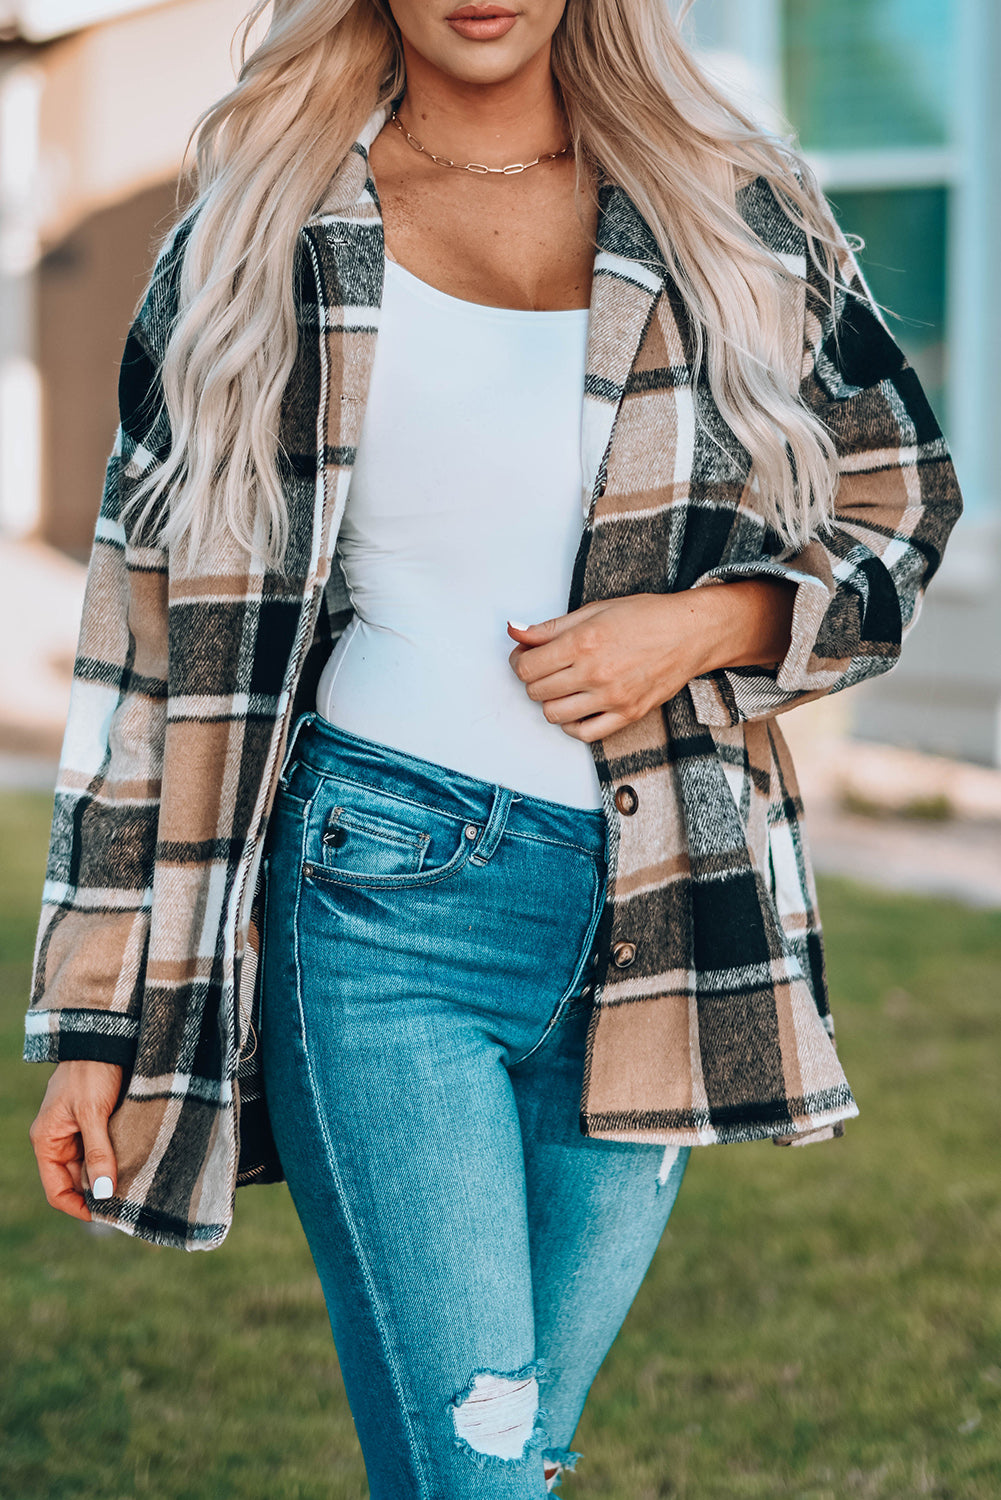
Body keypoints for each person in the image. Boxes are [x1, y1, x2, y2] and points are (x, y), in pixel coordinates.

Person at [24, 0, 963, 1494]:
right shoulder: (257, 227)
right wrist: (92, 1019)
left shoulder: (726, 204)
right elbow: (139, 641)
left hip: (667, 903)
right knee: (474, 1466)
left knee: (509, 1460)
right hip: (377, 903)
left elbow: (902, 501)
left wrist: (711, 625)